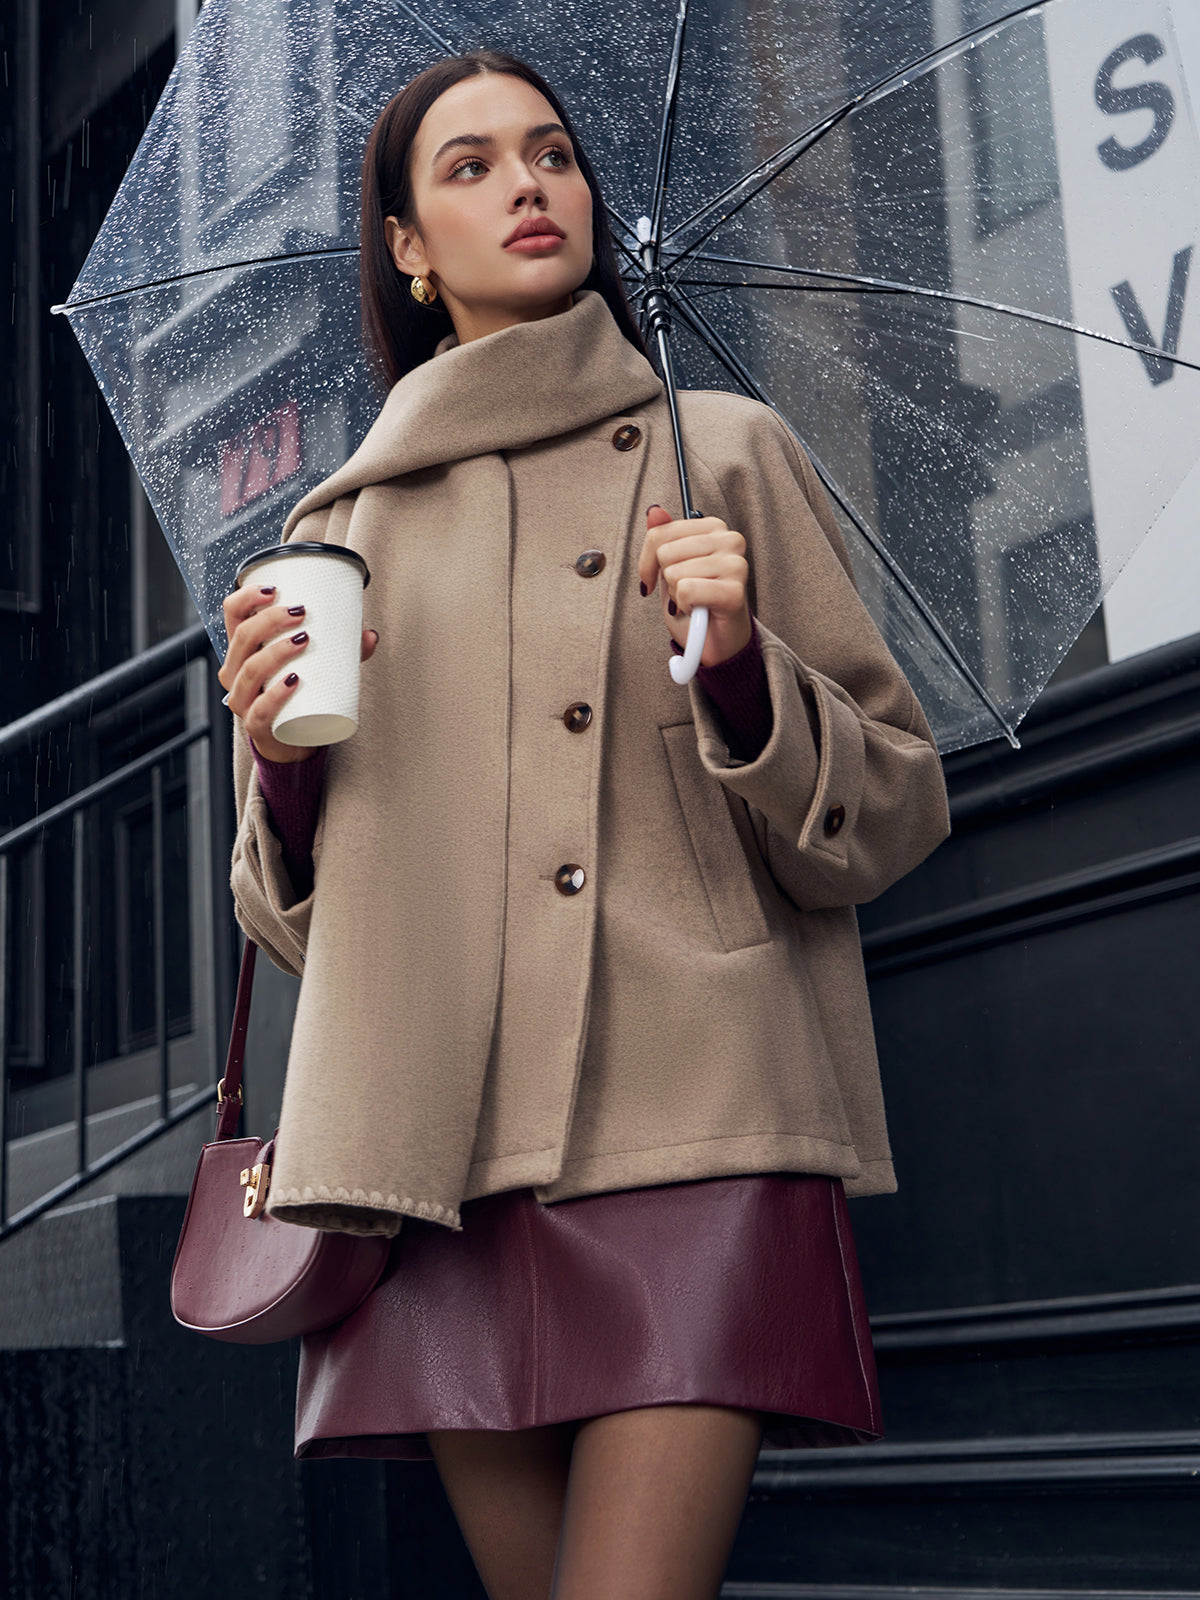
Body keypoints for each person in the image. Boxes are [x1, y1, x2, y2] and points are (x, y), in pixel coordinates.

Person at [218, 48, 950, 1600]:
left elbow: (889, 810)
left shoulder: (724, 454)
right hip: (433, 1155)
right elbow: (293, 928)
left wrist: (744, 676)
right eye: (469, 166)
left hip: (696, 1112)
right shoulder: (334, 536)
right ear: (408, 248)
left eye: (549, 153)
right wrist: (279, 770)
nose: (528, 185)